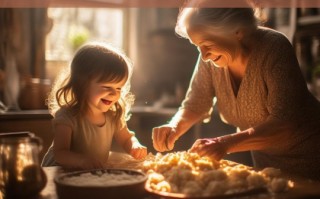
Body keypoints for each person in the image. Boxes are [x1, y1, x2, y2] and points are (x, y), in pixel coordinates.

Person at [152, 0, 320, 181]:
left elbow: (285, 124)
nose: (204, 55)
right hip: (269, 169)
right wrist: (173, 126)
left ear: (237, 31)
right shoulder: (212, 58)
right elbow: (195, 103)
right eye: (197, 46)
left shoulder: (274, 47)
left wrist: (223, 143)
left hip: (311, 160)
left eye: (206, 44)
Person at [42, 42, 147, 170]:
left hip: (87, 175)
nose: (114, 93)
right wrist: (81, 160)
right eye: (107, 87)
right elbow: (60, 153)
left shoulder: (113, 116)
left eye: (119, 88)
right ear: (82, 85)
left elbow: (126, 139)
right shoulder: (68, 116)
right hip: (58, 172)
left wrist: (135, 146)